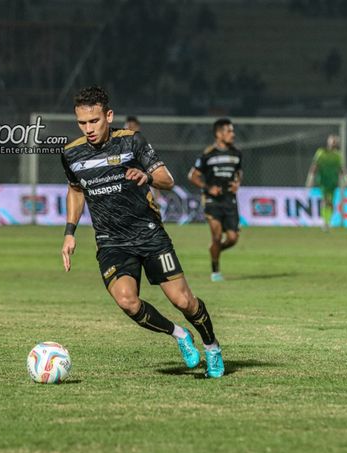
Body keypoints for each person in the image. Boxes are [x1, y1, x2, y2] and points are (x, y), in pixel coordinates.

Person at [60, 86, 224, 378]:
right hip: (111, 241)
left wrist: (146, 175)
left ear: (108, 116)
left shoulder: (132, 142)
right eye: (82, 123)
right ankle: (179, 335)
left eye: (94, 121)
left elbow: (168, 179)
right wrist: (70, 232)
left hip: (148, 234)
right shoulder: (72, 154)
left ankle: (211, 346)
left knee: (183, 301)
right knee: (127, 301)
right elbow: (75, 190)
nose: (88, 129)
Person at [188, 119, 243, 282]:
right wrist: (208, 188)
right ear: (219, 134)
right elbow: (192, 176)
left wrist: (237, 183)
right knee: (217, 237)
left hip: (229, 200)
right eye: (229, 131)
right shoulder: (208, 154)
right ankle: (215, 271)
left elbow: (239, 172)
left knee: (233, 239)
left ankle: (214, 250)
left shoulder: (237, 153)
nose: (233, 134)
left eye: (232, 131)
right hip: (212, 200)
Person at [306, 134, 347, 231]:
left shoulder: (337, 155)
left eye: (335, 141)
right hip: (323, 181)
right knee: (325, 200)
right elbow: (315, 166)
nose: (334, 142)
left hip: (333, 182)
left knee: (330, 202)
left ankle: (328, 221)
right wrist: (311, 178)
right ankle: (325, 222)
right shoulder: (321, 153)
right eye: (332, 140)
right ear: (328, 142)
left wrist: (346, 178)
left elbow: (341, 168)